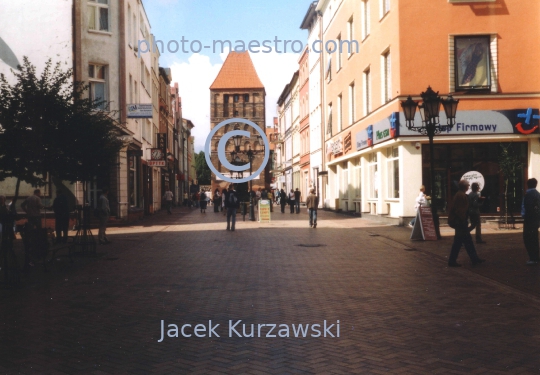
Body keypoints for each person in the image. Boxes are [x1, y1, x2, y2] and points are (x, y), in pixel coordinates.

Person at [447, 179, 485, 267]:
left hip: (460, 221)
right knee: (462, 242)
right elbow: (460, 210)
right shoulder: (461, 195)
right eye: (467, 185)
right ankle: (454, 260)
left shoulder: (460, 194)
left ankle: (474, 258)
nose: (468, 186)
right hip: (460, 222)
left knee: (465, 241)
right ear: (464, 186)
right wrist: (463, 220)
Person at [521, 178, 540, 265]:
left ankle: (533, 258)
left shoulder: (528, 195)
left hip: (529, 219)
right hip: (536, 219)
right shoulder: (537, 194)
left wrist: (525, 216)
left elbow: (527, 208)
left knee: (528, 238)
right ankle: (535, 257)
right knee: (534, 238)